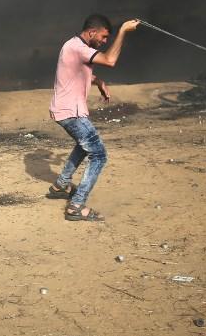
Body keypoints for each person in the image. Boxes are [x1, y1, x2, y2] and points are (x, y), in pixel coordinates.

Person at [46, 14, 140, 222]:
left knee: (83, 145)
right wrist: (123, 30)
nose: (104, 42)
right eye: (104, 37)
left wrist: (98, 82)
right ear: (91, 32)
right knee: (99, 155)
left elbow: (77, 71)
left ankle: (61, 186)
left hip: (67, 111)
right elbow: (110, 60)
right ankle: (76, 206)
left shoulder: (73, 46)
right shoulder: (78, 48)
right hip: (71, 113)